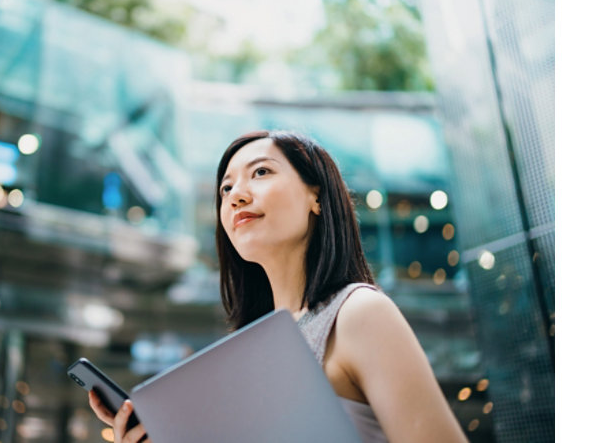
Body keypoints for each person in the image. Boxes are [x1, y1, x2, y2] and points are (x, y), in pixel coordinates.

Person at [89, 130, 468, 443]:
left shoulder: (359, 313)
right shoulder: (249, 355)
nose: (235, 195)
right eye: (225, 189)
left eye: (261, 173)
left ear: (315, 196)